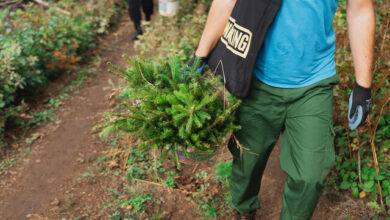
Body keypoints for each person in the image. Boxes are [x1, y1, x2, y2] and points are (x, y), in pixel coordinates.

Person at [188, 0, 375, 219]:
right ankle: (243, 206)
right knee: (247, 159)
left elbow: (360, 10)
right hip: (256, 79)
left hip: (314, 84)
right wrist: (201, 53)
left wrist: (364, 85)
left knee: (310, 175)